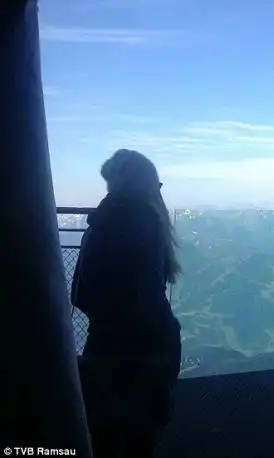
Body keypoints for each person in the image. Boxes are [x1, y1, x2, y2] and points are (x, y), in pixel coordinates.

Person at [71, 149, 183, 458]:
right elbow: (147, 297)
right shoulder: (150, 224)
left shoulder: (103, 226)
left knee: (104, 440)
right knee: (141, 442)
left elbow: (81, 294)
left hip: (107, 347)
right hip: (151, 349)